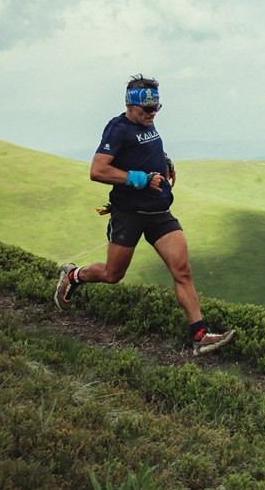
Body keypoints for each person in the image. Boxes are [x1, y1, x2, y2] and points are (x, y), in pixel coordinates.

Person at [53, 74, 235, 356]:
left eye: (157, 108)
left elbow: (145, 148)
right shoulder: (117, 129)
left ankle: (200, 335)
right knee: (113, 274)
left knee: (182, 270)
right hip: (128, 213)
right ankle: (73, 276)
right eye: (147, 109)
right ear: (131, 105)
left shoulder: (147, 122)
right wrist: (140, 178)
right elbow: (97, 171)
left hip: (159, 211)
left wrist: (165, 161)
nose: (153, 113)